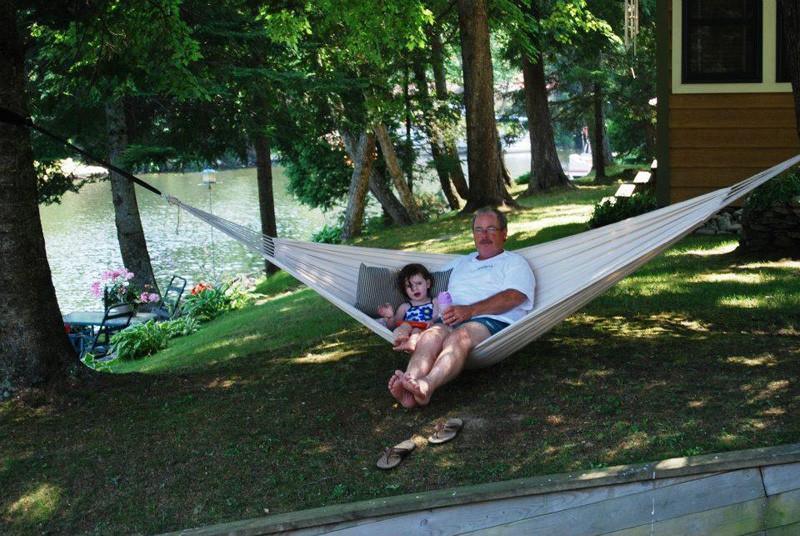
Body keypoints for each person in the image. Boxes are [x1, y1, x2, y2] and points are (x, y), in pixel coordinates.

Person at [388, 207, 535, 408]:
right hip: (451, 317)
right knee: (429, 337)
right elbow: (422, 277)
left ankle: (426, 387)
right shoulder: (460, 262)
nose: (483, 235)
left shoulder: (515, 262)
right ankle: (409, 386)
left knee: (459, 336)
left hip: (491, 320)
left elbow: (514, 296)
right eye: (478, 230)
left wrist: (470, 311)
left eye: (491, 229)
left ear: (504, 233)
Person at [377, 263, 440, 351]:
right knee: (403, 326)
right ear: (405, 290)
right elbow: (393, 325)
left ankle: (411, 343)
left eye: (419, 283)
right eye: (409, 286)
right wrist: (390, 317)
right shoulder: (405, 306)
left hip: (426, 330)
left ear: (428, 284)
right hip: (406, 332)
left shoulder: (434, 301)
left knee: (416, 330)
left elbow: (436, 315)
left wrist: (432, 320)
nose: (415, 289)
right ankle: (402, 340)